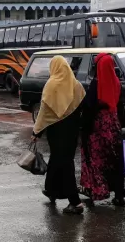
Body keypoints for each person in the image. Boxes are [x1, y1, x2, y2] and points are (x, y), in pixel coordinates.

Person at [32, 56, 86, 214]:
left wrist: (36, 132)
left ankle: (75, 203)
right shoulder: (76, 85)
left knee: (65, 165)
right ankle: (51, 190)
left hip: (56, 134)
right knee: (58, 160)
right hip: (72, 133)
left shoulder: (51, 84)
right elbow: (82, 107)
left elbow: (44, 112)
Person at [80, 53, 125, 207]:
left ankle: (97, 191)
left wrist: (83, 129)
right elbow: (120, 106)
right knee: (115, 161)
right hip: (113, 126)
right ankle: (119, 194)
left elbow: (88, 108)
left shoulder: (96, 85)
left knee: (95, 160)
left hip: (97, 129)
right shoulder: (116, 82)